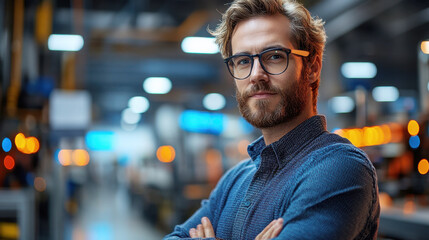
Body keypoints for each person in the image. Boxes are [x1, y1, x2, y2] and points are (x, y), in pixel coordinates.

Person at [164, 0, 380, 239]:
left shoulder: (338, 168)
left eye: (275, 56)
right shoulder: (236, 178)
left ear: (312, 68)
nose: (256, 74)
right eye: (243, 61)